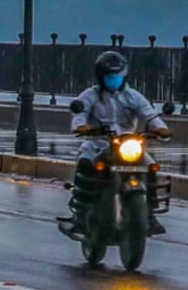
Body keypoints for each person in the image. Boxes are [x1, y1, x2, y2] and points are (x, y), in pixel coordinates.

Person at [62, 51, 172, 237]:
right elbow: (79, 114)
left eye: (117, 76)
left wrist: (161, 129)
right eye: (109, 76)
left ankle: (150, 215)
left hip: (128, 144)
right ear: (101, 77)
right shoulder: (90, 96)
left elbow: (149, 114)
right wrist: (82, 127)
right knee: (85, 165)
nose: (114, 79)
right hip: (99, 144)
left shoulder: (133, 96)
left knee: (150, 167)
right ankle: (80, 216)